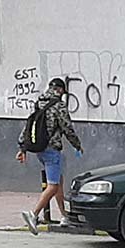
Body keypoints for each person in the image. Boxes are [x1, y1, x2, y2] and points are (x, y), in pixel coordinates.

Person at [17, 78, 82, 234]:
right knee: (52, 186)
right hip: (52, 149)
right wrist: (77, 145)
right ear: (60, 90)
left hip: (39, 149)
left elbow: (29, 125)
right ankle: (34, 215)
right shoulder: (59, 105)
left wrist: (22, 148)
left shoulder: (39, 103)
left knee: (58, 181)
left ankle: (64, 216)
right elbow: (67, 128)